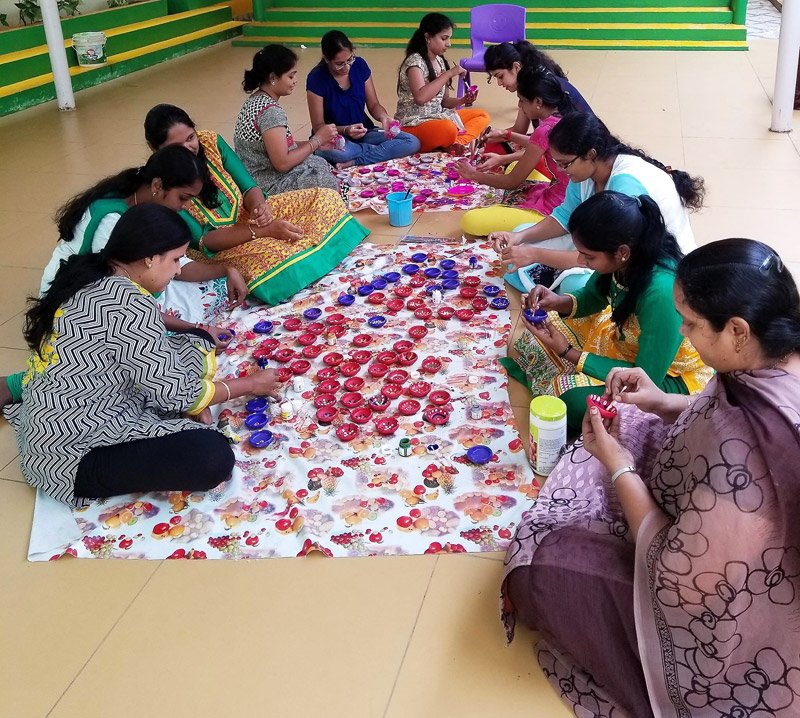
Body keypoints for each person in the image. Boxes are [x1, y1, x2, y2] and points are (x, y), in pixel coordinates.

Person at [501, 238, 800, 717]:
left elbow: (686, 581)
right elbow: (712, 409)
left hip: (720, 609)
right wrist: (662, 401)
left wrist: (619, 466)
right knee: (627, 417)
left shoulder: (747, 457)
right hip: (710, 507)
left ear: (737, 330)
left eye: (692, 324)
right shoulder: (773, 357)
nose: (682, 331)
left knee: (539, 566)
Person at [4, 205, 281, 506]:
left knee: (192, 343)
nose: (178, 270)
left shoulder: (93, 274)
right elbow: (178, 395)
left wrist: (197, 335)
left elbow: (140, 344)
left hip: (54, 423)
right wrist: (251, 384)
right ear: (150, 257)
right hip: (70, 454)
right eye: (175, 259)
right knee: (211, 455)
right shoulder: (130, 303)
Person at [508, 191, 711, 433]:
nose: (580, 261)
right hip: (626, 341)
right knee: (534, 338)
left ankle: (571, 375)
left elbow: (645, 378)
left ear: (622, 252)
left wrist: (567, 352)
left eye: (588, 256)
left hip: (666, 377)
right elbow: (594, 297)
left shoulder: (662, 293)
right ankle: (570, 369)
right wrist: (556, 301)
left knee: (569, 399)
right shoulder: (627, 258)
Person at [145, 103, 368, 306]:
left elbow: (249, 186)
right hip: (224, 245)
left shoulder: (210, 142)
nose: (189, 148)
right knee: (276, 254)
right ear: (157, 149)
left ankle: (312, 252)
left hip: (250, 217)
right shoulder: (163, 185)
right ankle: (313, 254)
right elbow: (205, 241)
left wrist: (259, 208)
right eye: (178, 145)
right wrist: (262, 231)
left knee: (324, 198)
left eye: (191, 138)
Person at [490, 112, 704, 289]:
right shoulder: (584, 173)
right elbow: (564, 216)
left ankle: (561, 286)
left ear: (590, 154)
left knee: (575, 286)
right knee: (520, 237)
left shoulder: (624, 187)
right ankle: (550, 276)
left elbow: (608, 256)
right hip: (603, 248)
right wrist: (518, 237)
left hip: (651, 264)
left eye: (564, 164)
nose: (560, 170)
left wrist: (535, 255)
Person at [459, 66, 574, 237]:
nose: (520, 105)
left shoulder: (546, 129)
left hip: (563, 208)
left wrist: (473, 174)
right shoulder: (564, 115)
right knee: (513, 165)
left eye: (522, 100)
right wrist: (506, 135)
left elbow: (512, 182)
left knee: (470, 220)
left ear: (538, 102)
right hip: (568, 193)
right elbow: (540, 144)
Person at [235, 45, 340, 194]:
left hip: (255, 176)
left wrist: (318, 143)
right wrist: (316, 140)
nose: (295, 81)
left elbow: (277, 146)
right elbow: (282, 164)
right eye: (291, 76)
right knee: (326, 182)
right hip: (265, 184)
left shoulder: (255, 100)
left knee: (319, 162)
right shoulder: (270, 112)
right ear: (273, 78)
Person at [306, 30, 420, 168]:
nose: (347, 67)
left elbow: (374, 105)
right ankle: (378, 151)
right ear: (326, 59)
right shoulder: (316, 78)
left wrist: (384, 117)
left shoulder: (359, 65)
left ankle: (356, 160)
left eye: (350, 59)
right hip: (334, 139)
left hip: (364, 132)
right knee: (341, 154)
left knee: (412, 142)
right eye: (339, 63)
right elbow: (318, 125)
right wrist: (346, 130)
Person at [480, 40, 591, 165]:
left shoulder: (543, 91)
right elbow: (519, 129)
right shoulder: (529, 87)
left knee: (504, 160)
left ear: (516, 67)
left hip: (576, 157)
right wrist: (489, 137)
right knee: (493, 147)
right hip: (554, 145)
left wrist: (503, 159)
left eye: (500, 76)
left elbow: (548, 149)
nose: (499, 83)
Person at [395, 13, 490, 154]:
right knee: (448, 128)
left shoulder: (439, 61)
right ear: (427, 37)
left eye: (449, 38)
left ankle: (456, 143)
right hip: (413, 124)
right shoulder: (415, 62)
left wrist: (463, 100)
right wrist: (448, 74)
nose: (449, 44)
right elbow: (420, 98)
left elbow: (444, 102)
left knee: (482, 115)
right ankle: (449, 142)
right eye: (444, 38)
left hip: (437, 117)